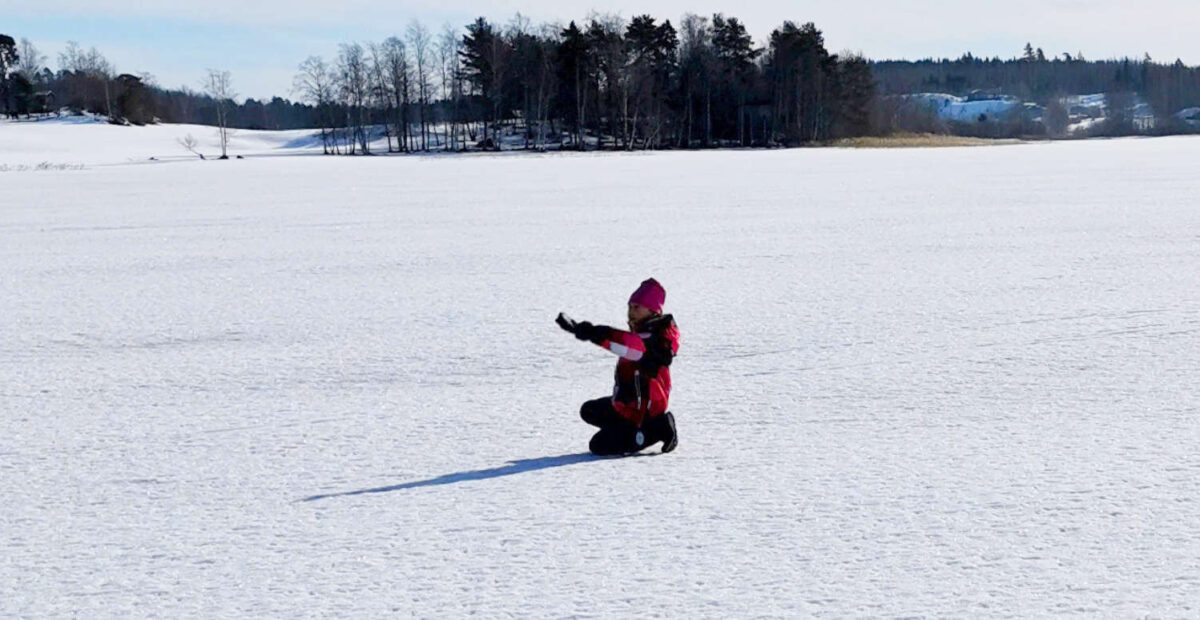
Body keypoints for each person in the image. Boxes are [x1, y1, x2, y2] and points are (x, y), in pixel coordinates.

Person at [556, 278, 680, 456]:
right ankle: (628, 430)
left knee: (599, 446)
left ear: (653, 310)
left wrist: (591, 332)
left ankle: (659, 428)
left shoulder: (652, 342)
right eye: (630, 306)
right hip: (630, 403)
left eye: (637, 307)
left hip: (645, 411)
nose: (631, 311)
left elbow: (623, 342)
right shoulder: (643, 332)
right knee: (589, 410)